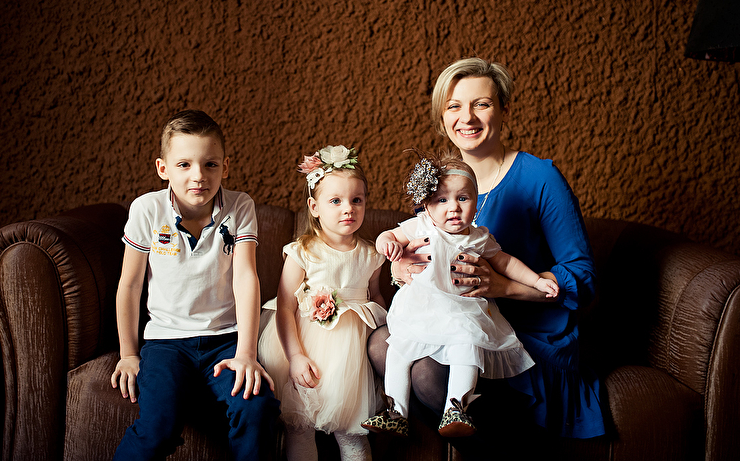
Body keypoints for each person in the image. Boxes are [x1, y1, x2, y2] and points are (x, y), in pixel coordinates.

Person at [367, 57, 606, 445]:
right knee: (382, 342)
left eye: (482, 104)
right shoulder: (442, 183)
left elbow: (584, 276)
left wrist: (503, 286)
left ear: (504, 109)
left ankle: (492, 438)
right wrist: (401, 270)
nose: (467, 118)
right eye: (454, 106)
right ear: (442, 116)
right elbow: (420, 245)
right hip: (452, 320)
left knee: (426, 372)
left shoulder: (540, 178)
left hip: (524, 336)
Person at [110, 110, 280, 461]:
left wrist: (246, 354)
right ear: (163, 169)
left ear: (225, 167)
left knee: (257, 408)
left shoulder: (240, 206)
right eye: (184, 165)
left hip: (225, 340)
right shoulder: (147, 209)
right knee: (158, 425)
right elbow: (130, 285)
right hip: (166, 343)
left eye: (210, 164)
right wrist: (128, 354)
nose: (198, 176)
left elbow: (245, 278)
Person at [362, 151, 556, 439]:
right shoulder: (421, 225)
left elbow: (506, 263)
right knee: (399, 352)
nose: (453, 207)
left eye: (463, 198)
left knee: (466, 348)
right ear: (427, 207)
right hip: (421, 310)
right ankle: (396, 412)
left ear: (476, 203)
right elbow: (388, 235)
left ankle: (457, 408)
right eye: (442, 200)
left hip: (462, 310)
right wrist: (386, 244)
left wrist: (537, 281)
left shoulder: (478, 238)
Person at [257, 145, 388, 461]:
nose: (348, 209)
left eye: (357, 200)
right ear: (314, 207)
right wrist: (295, 356)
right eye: (336, 201)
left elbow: (376, 298)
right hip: (305, 346)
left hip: (351, 355)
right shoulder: (302, 251)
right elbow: (285, 307)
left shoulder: (372, 254)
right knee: (300, 427)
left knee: (352, 433)